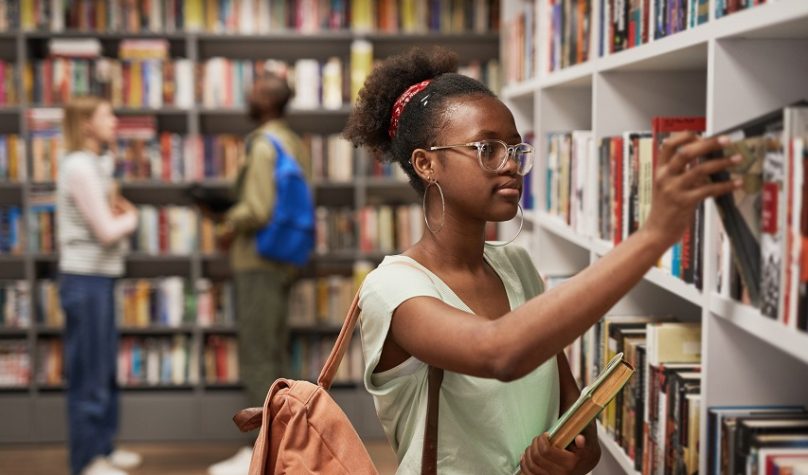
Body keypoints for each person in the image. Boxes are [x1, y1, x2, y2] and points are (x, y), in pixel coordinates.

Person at [342, 47, 740, 474]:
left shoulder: (516, 266)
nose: (511, 165)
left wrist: (572, 454)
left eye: (515, 149)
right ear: (426, 164)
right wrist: (653, 236)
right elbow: (499, 353)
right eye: (487, 149)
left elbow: (577, 424)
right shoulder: (391, 288)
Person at [207, 73, 311, 475]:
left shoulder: (263, 144)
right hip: (284, 259)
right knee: (275, 352)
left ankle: (260, 450)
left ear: (266, 100)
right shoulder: (293, 142)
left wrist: (225, 225)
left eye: (252, 91)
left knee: (256, 356)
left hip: (258, 261)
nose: (246, 97)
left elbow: (257, 208)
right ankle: (281, 448)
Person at [57, 96, 142, 475]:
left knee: (104, 368)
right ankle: (87, 461)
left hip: (100, 278)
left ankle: (104, 448)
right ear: (86, 124)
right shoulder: (78, 166)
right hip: (85, 279)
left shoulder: (94, 163)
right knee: (88, 372)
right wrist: (133, 218)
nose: (115, 121)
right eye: (106, 115)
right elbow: (107, 230)